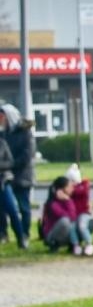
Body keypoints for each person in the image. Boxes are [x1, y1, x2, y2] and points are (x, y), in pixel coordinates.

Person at [1, 103, 36, 245]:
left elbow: (27, 155)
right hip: (6, 176)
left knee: (24, 208)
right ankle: (4, 234)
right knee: (4, 208)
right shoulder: (3, 134)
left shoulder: (25, 133)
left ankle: (25, 234)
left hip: (23, 176)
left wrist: (10, 164)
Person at [39, 171, 93, 255]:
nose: (72, 188)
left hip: (67, 232)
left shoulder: (70, 198)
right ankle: (54, 243)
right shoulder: (53, 204)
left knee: (90, 222)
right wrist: (68, 200)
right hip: (53, 234)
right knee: (65, 221)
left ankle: (75, 244)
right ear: (62, 190)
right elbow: (71, 217)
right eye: (69, 186)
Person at [0, 106, 18, 248]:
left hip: (3, 181)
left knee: (12, 209)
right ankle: (2, 234)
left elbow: (10, 162)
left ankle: (20, 237)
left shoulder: (2, 143)